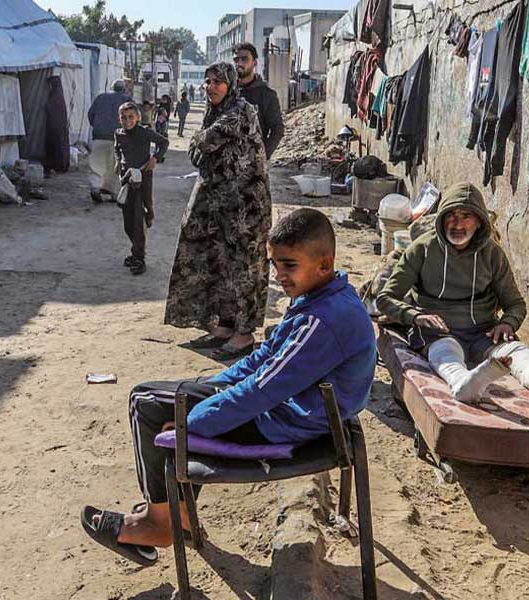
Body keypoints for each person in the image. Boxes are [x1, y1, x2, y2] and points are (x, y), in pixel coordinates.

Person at [81, 208, 377, 565]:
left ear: (324, 265)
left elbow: (262, 391)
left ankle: (161, 523)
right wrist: (210, 385)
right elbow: (265, 356)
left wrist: (189, 425)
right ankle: (175, 514)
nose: (279, 275)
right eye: (275, 265)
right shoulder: (321, 296)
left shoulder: (323, 319)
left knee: (147, 403)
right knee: (168, 396)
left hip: (289, 422)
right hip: (289, 408)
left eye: (289, 266)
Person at [374, 182, 529, 413]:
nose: (457, 224)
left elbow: (515, 304)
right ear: (441, 219)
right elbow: (385, 298)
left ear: (479, 221)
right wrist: (415, 316)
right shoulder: (422, 249)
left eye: (466, 216)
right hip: (439, 333)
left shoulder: (492, 254)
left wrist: (507, 324)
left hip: (484, 333)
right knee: (446, 350)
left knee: (516, 351)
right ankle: (463, 383)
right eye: (451, 216)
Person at [165, 62, 272, 361]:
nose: (210, 87)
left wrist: (200, 142)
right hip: (219, 207)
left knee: (244, 268)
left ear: (230, 84)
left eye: (217, 82)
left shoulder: (240, 110)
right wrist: (199, 143)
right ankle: (225, 326)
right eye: (207, 81)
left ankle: (244, 334)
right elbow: (194, 151)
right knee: (221, 265)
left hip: (245, 208)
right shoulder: (216, 113)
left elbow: (207, 141)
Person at [114, 102, 169, 276]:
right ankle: (136, 250)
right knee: (128, 220)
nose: (127, 120)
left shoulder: (144, 132)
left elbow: (164, 142)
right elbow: (117, 149)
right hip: (126, 179)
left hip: (142, 177)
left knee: (139, 217)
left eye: (131, 117)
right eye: (123, 117)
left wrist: (155, 158)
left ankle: (139, 258)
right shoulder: (119, 133)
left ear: (138, 117)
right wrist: (118, 161)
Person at [232, 43, 286, 160]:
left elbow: (277, 130)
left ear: (254, 62)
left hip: (252, 167)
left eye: (244, 59)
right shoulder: (227, 92)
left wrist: (261, 157)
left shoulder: (266, 95)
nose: (239, 63)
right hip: (227, 165)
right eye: (236, 59)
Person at [87, 79, 133, 203]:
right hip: (118, 136)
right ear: (124, 89)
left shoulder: (101, 97)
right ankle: (113, 192)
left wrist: (97, 126)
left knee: (97, 162)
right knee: (115, 165)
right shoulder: (127, 101)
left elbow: (91, 114)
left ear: (112, 88)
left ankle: (95, 188)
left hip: (99, 135)